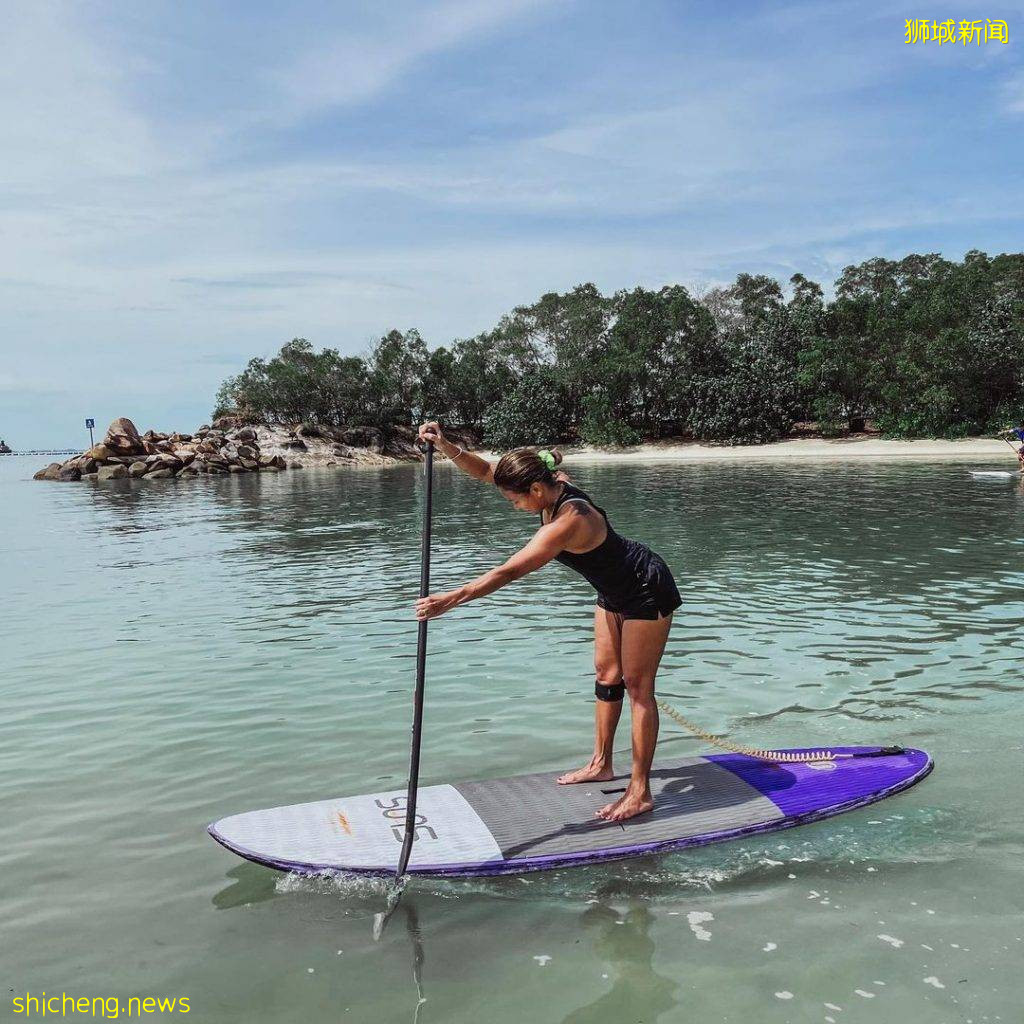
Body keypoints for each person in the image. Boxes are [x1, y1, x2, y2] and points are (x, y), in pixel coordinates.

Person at [414, 422, 682, 822]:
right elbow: (489, 471)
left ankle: (640, 792)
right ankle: (601, 763)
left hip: (644, 588)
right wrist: (447, 445)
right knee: (607, 676)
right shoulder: (548, 483)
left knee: (639, 688)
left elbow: (508, 572)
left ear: (536, 491)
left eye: (515, 501)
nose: (513, 506)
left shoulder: (569, 520)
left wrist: (451, 599)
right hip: (612, 590)